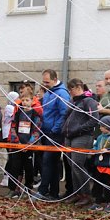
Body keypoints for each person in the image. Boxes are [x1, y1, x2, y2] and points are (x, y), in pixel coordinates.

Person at [61, 78, 99, 206]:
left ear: (78, 87)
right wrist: (64, 128)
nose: (70, 92)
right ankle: (78, 193)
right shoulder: (73, 101)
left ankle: (86, 194)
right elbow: (67, 116)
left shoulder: (89, 101)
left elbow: (93, 120)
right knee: (72, 167)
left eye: (71, 89)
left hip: (82, 137)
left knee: (78, 165)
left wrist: (77, 130)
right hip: (69, 137)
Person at [37, 69, 71, 200]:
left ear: (54, 79)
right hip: (46, 132)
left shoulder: (61, 94)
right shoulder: (48, 93)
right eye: (43, 82)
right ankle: (52, 192)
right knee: (50, 163)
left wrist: (55, 129)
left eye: (47, 82)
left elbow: (64, 114)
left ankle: (44, 190)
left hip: (54, 134)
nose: (44, 84)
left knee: (49, 161)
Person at [6, 82, 43, 198]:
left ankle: (28, 189)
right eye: (23, 100)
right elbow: (12, 127)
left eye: (28, 100)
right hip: (18, 146)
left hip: (28, 147)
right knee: (15, 167)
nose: (25, 103)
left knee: (29, 169)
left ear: (32, 101)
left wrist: (29, 144)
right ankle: (13, 189)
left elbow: (36, 130)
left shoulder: (35, 115)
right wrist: (16, 142)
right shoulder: (17, 113)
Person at [89, 116, 110, 212]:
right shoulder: (100, 137)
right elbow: (96, 146)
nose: (100, 128)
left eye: (101, 126)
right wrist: (93, 151)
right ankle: (97, 202)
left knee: (109, 185)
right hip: (99, 165)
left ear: (107, 126)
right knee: (97, 185)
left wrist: (108, 150)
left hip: (109, 166)